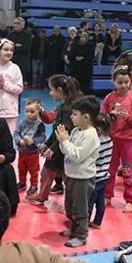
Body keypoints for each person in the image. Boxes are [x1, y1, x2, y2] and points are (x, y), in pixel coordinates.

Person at [25, 75, 82, 205]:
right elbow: (57, 128)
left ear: (60, 91)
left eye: (52, 90)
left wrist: (52, 149)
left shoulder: (68, 109)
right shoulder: (62, 107)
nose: (50, 93)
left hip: (64, 149)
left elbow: (64, 132)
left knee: (54, 173)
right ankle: (45, 195)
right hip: (60, 147)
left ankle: (68, 201)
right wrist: (47, 145)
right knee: (54, 173)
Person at [55, 96, 102, 247]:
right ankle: (74, 229)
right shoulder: (76, 130)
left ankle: (81, 236)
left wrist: (65, 141)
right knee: (69, 206)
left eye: (75, 114)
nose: (71, 116)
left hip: (82, 178)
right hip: (70, 175)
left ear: (86, 117)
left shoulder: (91, 135)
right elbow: (66, 151)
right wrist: (63, 141)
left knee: (80, 209)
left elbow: (76, 156)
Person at [101, 67, 132, 214]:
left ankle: (129, 200)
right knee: (109, 169)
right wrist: (110, 116)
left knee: (128, 170)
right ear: (113, 82)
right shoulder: (109, 98)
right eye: (120, 82)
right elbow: (101, 119)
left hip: (128, 141)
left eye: (126, 82)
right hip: (111, 140)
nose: (124, 85)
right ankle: (107, 196)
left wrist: (129, 118)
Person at [14, 98, 46, 195]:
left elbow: (42, 137)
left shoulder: (39, 124)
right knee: (21, 168)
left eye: (32, 112)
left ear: (38, 112)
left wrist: (33, 141)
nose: (29, 114)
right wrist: (19, 141)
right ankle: (22, 182)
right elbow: (16, 133)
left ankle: (34, 185)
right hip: (22, 151)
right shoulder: (22, 122)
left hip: (33, 153)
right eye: (27, 111)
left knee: (34, 170)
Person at [88, 113, 112, 229]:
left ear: (97, 129)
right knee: (100, 201)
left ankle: (85, 221)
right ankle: (97, 222)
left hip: (95, 176)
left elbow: (94, 158)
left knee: (90, 201)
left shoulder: (98, 142)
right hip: (104, 175)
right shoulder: (109, 140)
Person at [7, 17, 33, 86]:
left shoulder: (28, 35)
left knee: (18, 85)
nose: (15, 25)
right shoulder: (10, 35)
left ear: (23, 25)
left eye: (18, 23)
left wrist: (14, 46)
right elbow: (8, 47)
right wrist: (17, 45)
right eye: (14, 23)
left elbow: (24, 48)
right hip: (11, 62)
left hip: (22, 64)